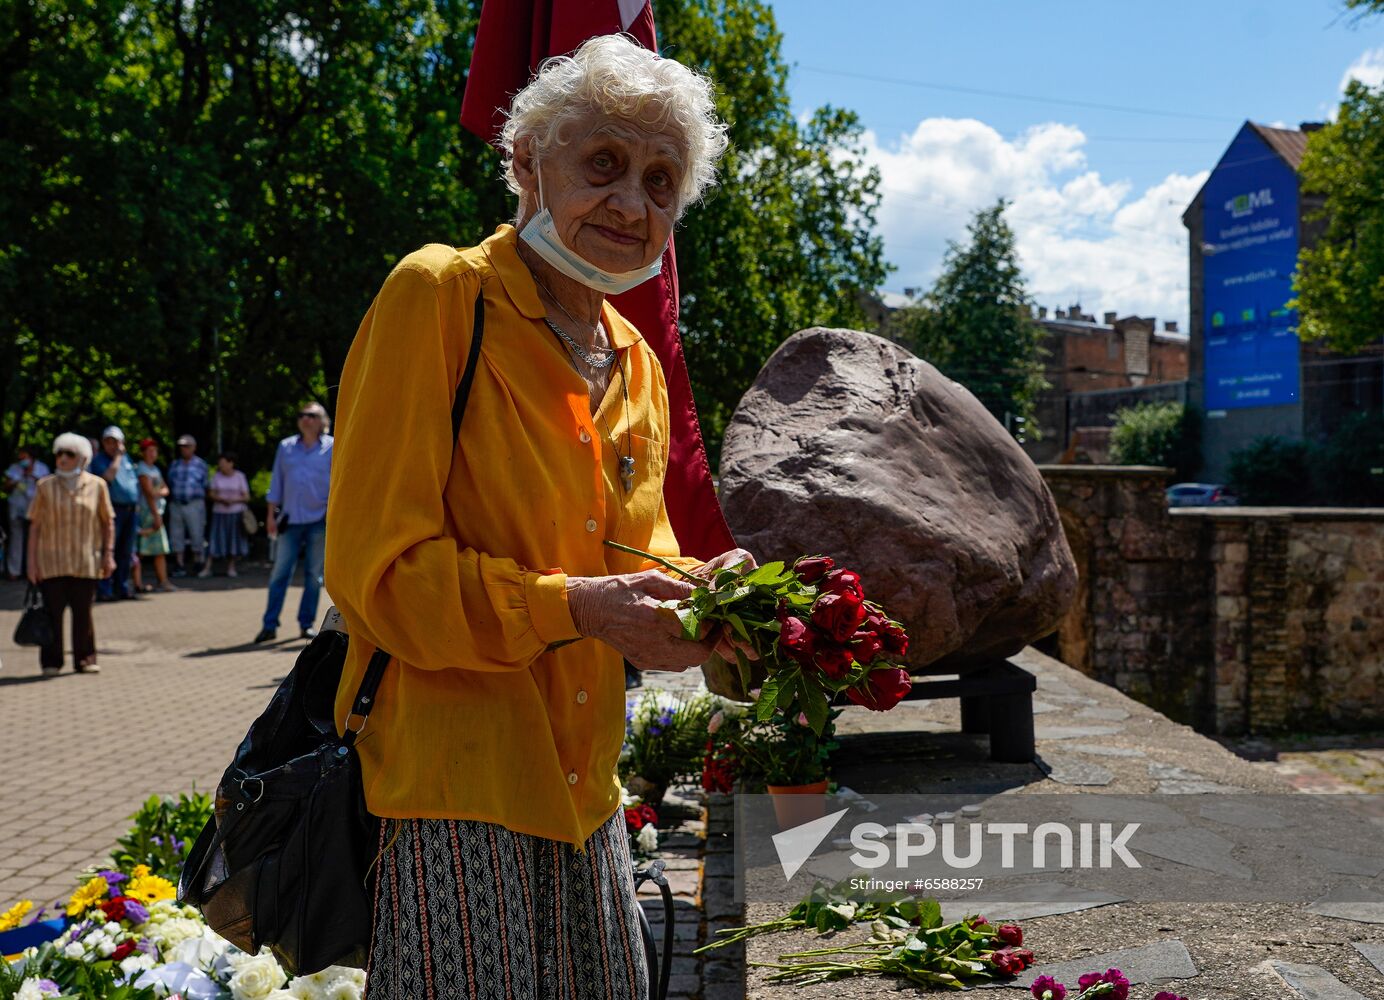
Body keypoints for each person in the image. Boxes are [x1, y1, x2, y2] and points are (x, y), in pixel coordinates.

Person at [327, 35, 757, 999]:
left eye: (661, 180)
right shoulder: (440, 294)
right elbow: (378, 577)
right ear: (526, 160)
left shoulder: (635, 361)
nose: (631, 203)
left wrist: (728, 600)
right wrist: (585, 609)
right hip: (452, 789)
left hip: (587, 795)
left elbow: (635, 562)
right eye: (602, 163)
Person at [26, 433, 115, 676]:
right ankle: (51, 662)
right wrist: (31, 563)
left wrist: (108, 555)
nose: (62, 459)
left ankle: (85, 658)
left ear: (83, 458)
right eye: (59, 453)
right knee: (52, 614)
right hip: (51, 561)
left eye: (69, 454)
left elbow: (108, 522)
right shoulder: (44, 486)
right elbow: (34, 526)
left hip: (85, 560)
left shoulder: (98, 485)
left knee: (83, 613)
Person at [254, 402, 332, 642]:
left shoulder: (333, 447)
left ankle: (306, 624)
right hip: (290, 520)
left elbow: (340, 482)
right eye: (302, 415)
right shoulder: (286, 447)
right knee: (279, 573)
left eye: (311, 415)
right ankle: (269, 625)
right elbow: (276, 481)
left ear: (322, 421)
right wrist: (270, 515)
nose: (305, 419)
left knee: (313, 576)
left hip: (319, 519)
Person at [88, 426, 141, 600]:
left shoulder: (127, 459)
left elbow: (133, 483)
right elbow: (107, 478)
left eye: (116, 441)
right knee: (108, 549)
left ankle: (122, 587)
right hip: (113, 510)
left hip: (130, 510)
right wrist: (118, 456)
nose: (113, 445)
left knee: (126, 552)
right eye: (109, 442)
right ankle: (105, 590)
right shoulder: (100, 460)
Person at [135, 438, 176, 593]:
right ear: (143, 452)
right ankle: (136, 582)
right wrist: (156, 514)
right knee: (140, 550)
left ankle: (162, 581)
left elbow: (165, 489)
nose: (153, 453)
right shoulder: (142, 469)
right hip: (148, 513)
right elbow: (149, 494)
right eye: (149, 450)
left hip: (156, 511)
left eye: (155, 450)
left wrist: (158, 493)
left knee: (159, 550)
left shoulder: (155, 469)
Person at [3, 446, 49, 580]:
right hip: (17, 507)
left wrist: (35, 478)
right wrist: (14, 481)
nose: (21, 459)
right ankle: (14, 571)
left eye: (24, 456)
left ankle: (35, 569)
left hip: (35, 508)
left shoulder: (42, 469)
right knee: (16, 540)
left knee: (35, 539)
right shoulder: (14, 468)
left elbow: (48, 488)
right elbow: (5, 487)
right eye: (20, 456)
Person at [167, 434, 209, 576]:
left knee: (196, 533)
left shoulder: (201, 465)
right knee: (176, 534)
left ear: (194, 447)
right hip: (177, 503)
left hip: (194, 504)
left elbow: (205, 484)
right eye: (182, 446)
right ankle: (179, 564)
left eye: (187, 446)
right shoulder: (174, 465)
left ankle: (198, 562)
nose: (184, 449)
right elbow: (170, 482)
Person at [204, 451, 250, 577]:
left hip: (236, 513)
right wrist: (221, 500)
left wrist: (234, 500)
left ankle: (231, 567)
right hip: (219, 512)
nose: (221, 465)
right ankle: (207, 567)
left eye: (223, 463)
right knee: (215, 539)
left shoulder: (240, 476)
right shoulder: (216, 476)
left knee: (233, 540)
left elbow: (246, 496)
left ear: (231, 463)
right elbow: (211, 493)